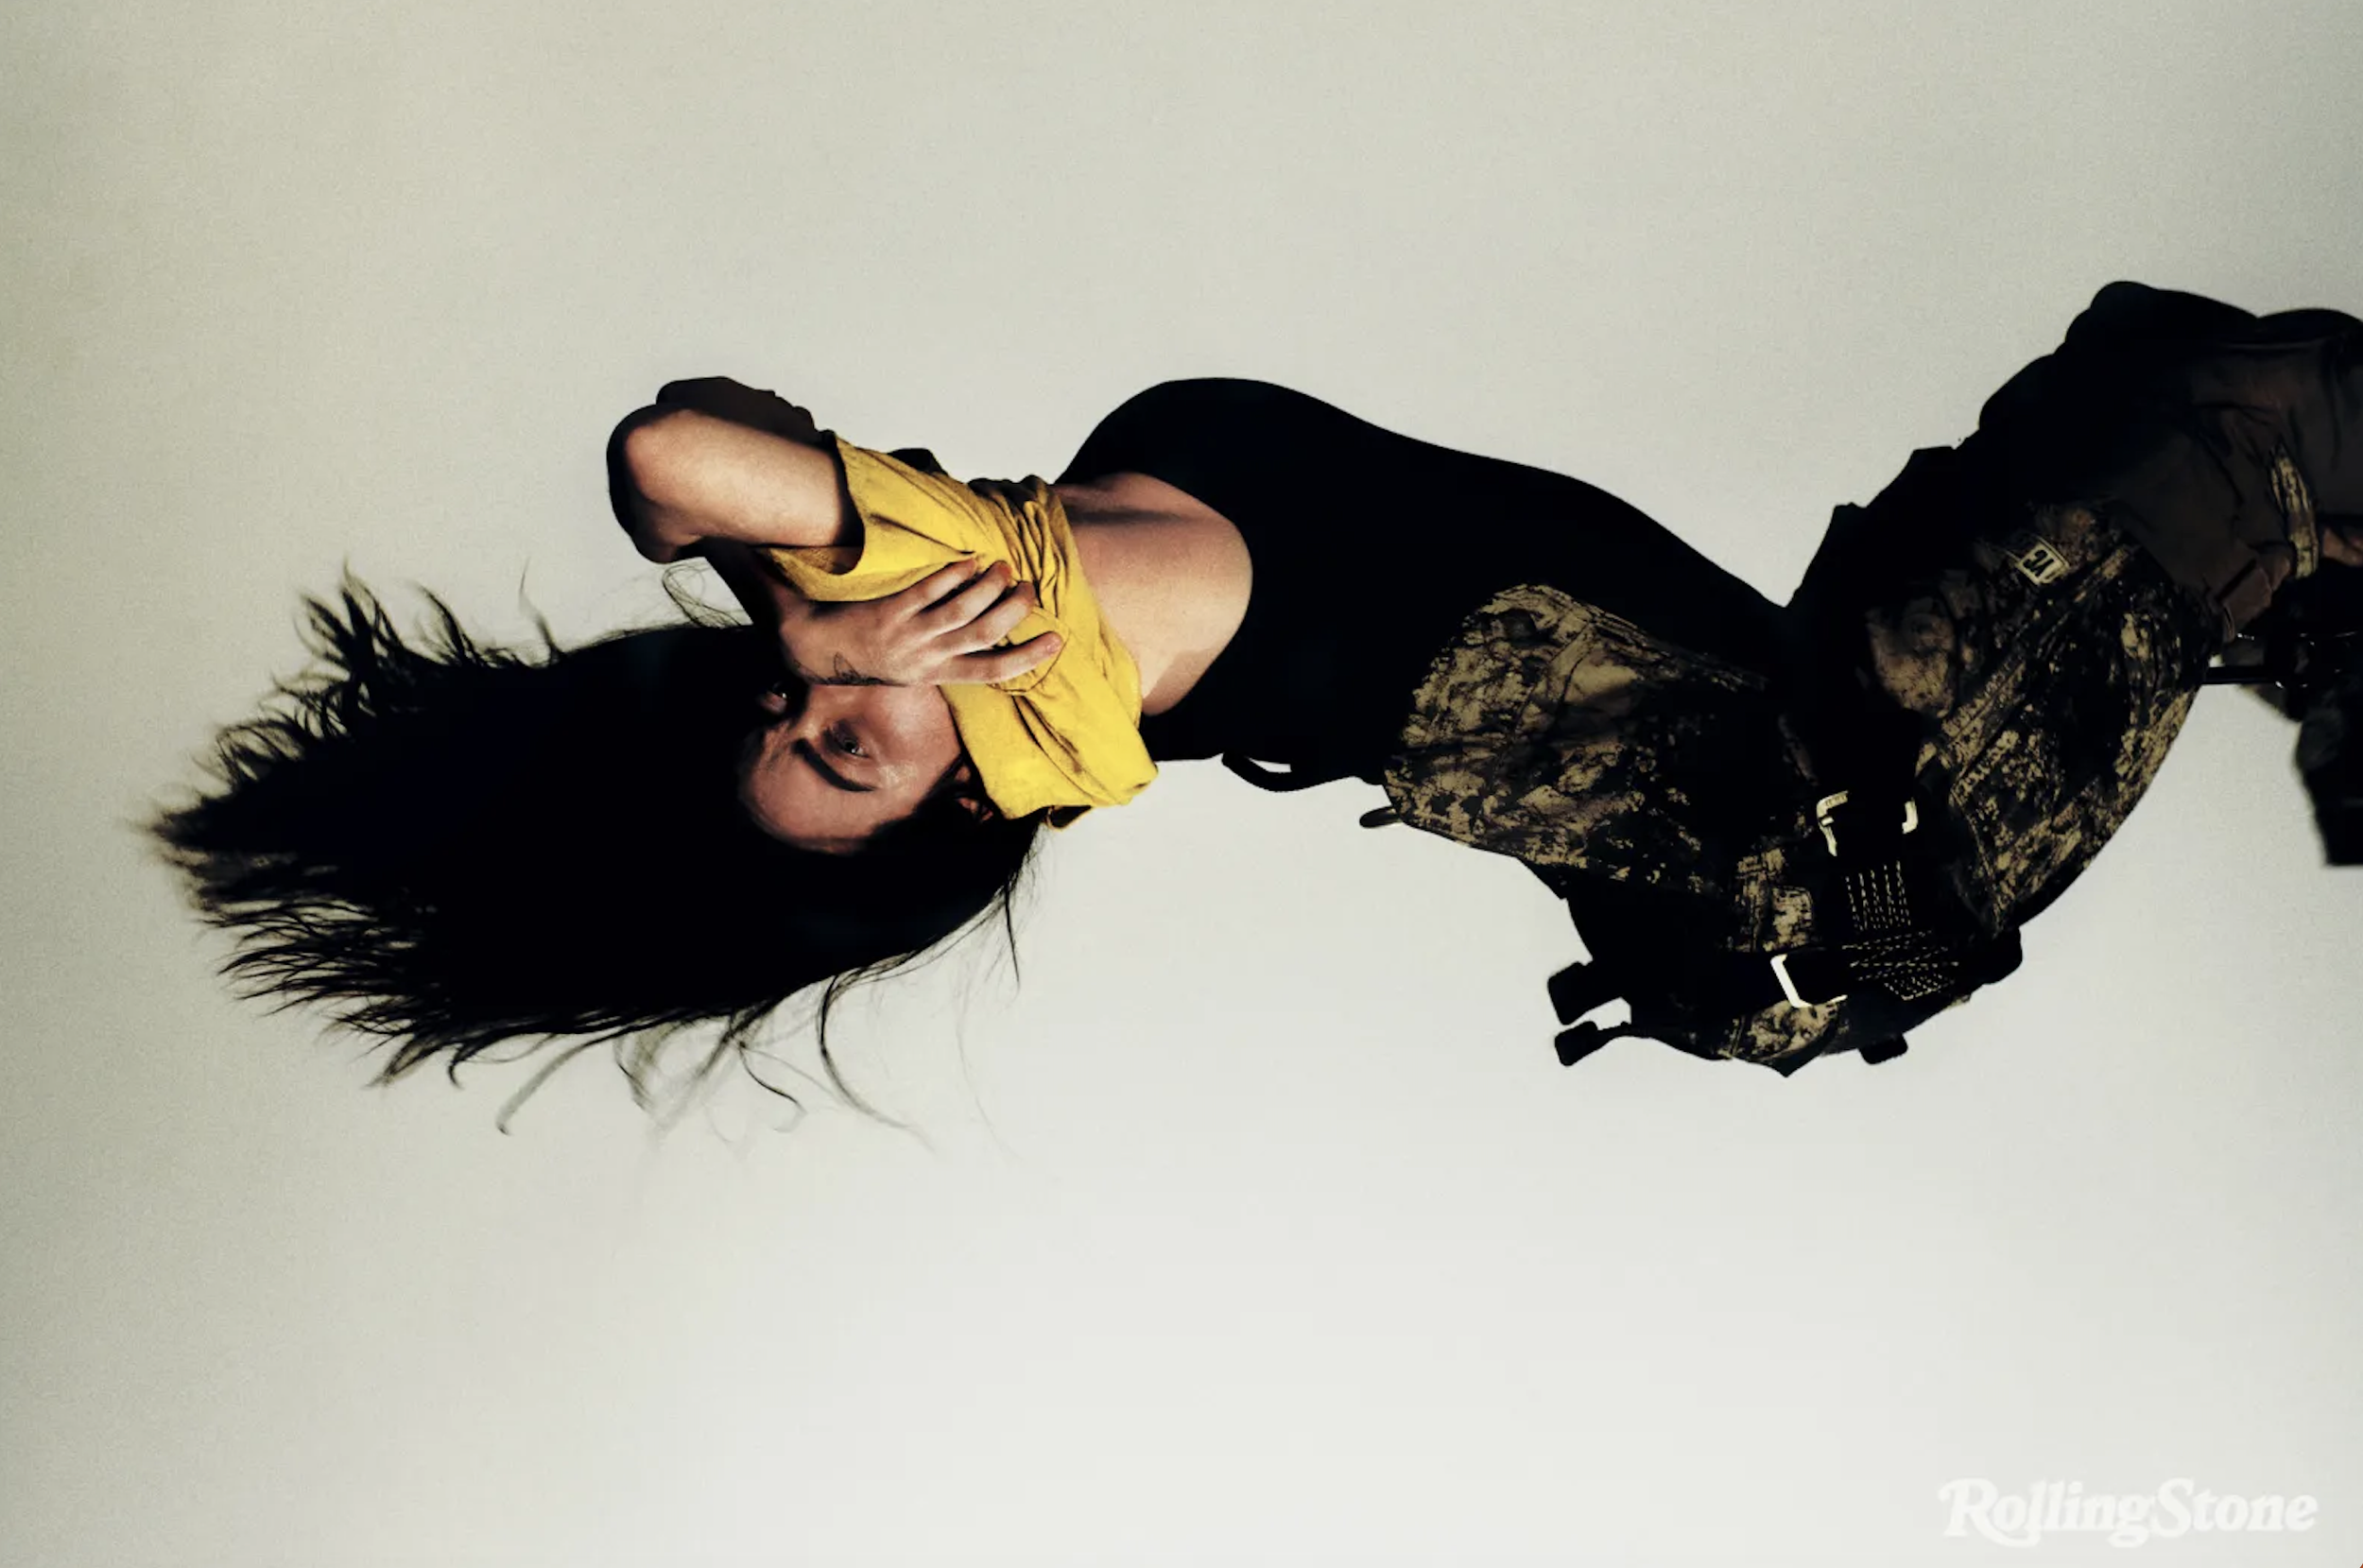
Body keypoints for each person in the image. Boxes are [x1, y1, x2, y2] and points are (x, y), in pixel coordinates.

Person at [152, 283, 2363, 1110]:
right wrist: (817, 627)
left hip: (1778, 739)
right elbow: (680, 471)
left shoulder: (939, 575)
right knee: (2235, 450)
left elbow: (687, 453)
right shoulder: (1034, 689)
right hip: (1773, 814)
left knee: (2158, 407)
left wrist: (805, 631)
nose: (832, 699)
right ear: (947, 810)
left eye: (776, 711)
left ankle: (2280, 546)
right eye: (841, 755)